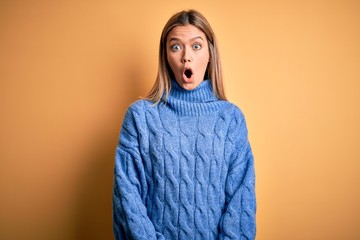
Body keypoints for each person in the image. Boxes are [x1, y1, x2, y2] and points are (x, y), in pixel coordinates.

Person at [112, 9, 256, 240]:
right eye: (175, 46)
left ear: (210, 53)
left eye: (196, 46)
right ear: (165, 56)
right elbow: (127, 199)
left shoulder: (231, 120)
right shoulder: (139, 117)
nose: (186, 56)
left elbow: (241, 203)